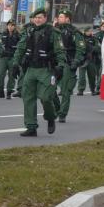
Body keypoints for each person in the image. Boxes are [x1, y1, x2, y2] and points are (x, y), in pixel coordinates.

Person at [12, 8, 67, 137]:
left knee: (46, 97)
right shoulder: (29, 31)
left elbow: (60, 51)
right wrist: (15, 63)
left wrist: (60, 65)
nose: (37, 19)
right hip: (30, 69)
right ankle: (31, 127)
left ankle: (51, 117)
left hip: (46, 70)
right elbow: (20, 48)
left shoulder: (53, 32)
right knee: (28, 98)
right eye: (35, 17)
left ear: (45, 18)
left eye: (40, 17)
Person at [54, 9, 85, 123]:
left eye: (61, 17)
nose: (59, 18)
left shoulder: (74, 32)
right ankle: (57, 108)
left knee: (66, 90)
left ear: (68, 19)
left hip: (68, 63)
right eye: (59, 16)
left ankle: (62, 114)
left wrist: (76, 61)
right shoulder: (54, 30)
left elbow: (81, 48)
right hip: (55, 63)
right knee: (49, 88)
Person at [0, 20, 20, 99]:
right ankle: (0, 92)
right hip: (3, 57)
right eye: (9, 25)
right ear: (7, 26)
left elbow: (20, 48)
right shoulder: (2, 34)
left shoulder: (18, 35)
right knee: (0, 75)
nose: (10, 27)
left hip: (12, 57)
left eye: (12, 25)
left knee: (12, 76)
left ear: (14, 26)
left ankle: (9, 92)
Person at [76, 27, 99, 96]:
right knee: (81, 77)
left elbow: (98, 48)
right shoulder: (81, 39)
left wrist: (92, 49)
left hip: (91, 60)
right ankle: (81, 90)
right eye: (88, 31)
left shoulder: (94, 39)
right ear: (85, 32)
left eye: (91, 31)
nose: (90, 32)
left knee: (92, 76)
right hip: (82, 60)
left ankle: (92, 90)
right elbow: (78, 48)